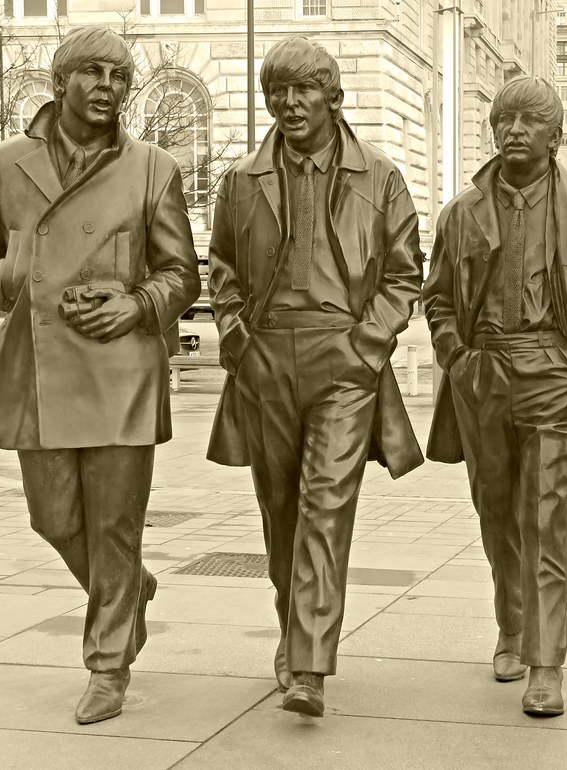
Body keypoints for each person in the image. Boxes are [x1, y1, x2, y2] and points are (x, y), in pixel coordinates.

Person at [0, 27, 200, 724]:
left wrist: (137, 303)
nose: (108, 87)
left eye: (120, 77)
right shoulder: (6, 164)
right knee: (53, 517)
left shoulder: (152, 167)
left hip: (122, 368)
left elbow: (181, 274)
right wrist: (19, 274)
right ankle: (130, 589)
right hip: (38, 368)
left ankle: (108, 663)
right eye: (92, 73)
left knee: (116, 525)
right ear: (60, 82)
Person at [205, 36, 424, 718]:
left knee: (325, 507)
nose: (289, 102)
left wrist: (367, 345)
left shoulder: (380, 177)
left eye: (303, 89)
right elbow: (221, 269)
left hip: (344, 360)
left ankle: (308, 664)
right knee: (280, 511)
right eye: (278, 91)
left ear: (333, 97)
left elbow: (404, 276)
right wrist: (236, 336)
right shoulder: (241, 180)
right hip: (266, 357)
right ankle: (292, 627)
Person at [423, 76, 567, 717]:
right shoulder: (461, 214)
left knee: (544, 518)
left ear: (555, 136)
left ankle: (546, 661)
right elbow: (437, 300)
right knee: (496, 514)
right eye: (504, 120)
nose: (513, 130)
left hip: (554, 375)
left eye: (529, 121)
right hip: (483, 374)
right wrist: (458, 359)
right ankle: (511, 626)